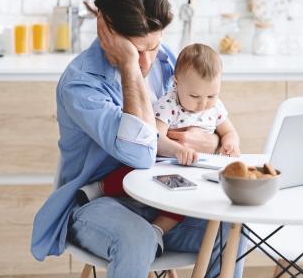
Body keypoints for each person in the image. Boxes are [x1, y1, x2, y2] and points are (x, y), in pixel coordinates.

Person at [31, 0, 246, 278]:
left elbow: (206, 124)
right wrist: (128, 66)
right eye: (135, 50)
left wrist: (210, 143)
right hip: (100, 203)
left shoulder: (169, 62)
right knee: (138, 238)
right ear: (107, 32)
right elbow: (140, 154)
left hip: (165, 200)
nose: (147, 62)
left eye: (153, 48)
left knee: (232, 225)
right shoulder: (81, 85)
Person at [77, 43, 241, 256]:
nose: (203, 104)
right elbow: (155, 139)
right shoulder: (169, 105)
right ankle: (99, 188)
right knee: (131, 173)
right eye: (195, 96)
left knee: (187, 204)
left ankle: (158, 230)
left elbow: (229, 131)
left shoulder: (215, 108)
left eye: (211, 96)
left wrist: (230, 143)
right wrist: (177, 150)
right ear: (176, 83)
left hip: (193, 171)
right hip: (162, 165)